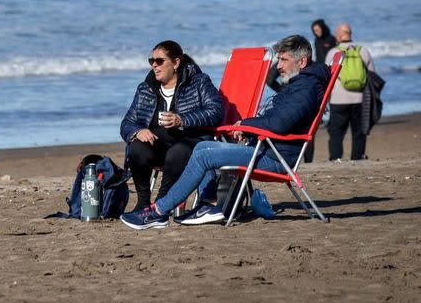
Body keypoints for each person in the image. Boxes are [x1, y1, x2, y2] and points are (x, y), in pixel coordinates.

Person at [120, 35, 330, 230]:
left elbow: (280, 123)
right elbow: (278, 121)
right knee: (203, 147)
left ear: (302, 62)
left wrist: (246, 126)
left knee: (203, 153)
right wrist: (248, 127)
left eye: (283, 60)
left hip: (275, 158)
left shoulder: (306, 88)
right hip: (266, 149)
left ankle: (158, 211)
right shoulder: (300, 85)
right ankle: (208, 204)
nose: (279, 65)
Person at [120, 40, 224, 211]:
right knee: (137, 146)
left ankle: (161, 202)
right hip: (160, 145)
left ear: (176, 62)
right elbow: (127, 123)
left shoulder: (199, 82)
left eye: (160, 61)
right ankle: (143, 201)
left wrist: (181, 119)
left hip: (191, 142)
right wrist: (138, 131)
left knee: (178, 151)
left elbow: (216, 112)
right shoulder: (146, 88)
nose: (154, 65)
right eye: (151, 61)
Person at [325, 23, 376, 161]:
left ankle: (336, 159)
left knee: (336, 132)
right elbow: (373, 75)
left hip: (338, 100)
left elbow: (327, 78)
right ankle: (357, 158)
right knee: (359, 132)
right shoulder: (363, 51)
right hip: (359, 99)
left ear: (340, 35)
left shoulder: (333, 53)